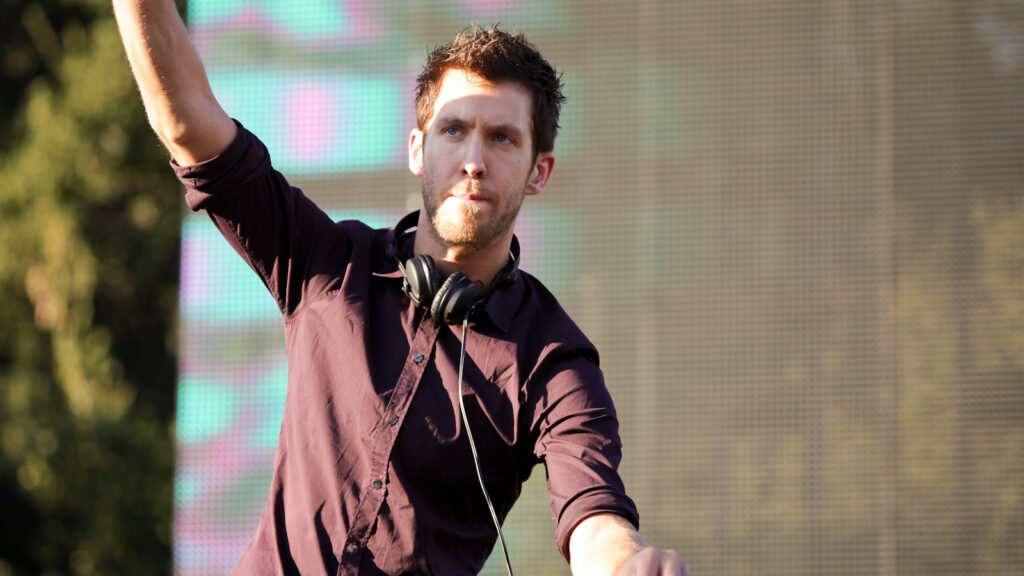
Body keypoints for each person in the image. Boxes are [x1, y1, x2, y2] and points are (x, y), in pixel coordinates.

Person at [113, 1, 687, 574]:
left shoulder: (553, 359)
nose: (473, 161)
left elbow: (594, 514)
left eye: (503, 139)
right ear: (418, 148)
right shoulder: (327, 261)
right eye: (454, 130)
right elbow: (188, 123)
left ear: (540, 171)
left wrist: (624, 564)